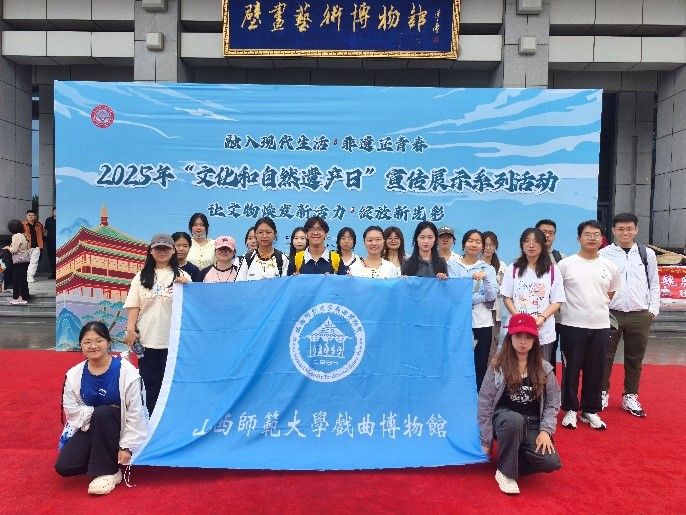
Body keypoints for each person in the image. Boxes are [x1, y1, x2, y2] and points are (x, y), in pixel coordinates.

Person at [55, 321, 147, 495]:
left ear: (108, 342)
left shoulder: (127, 372)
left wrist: (127, 446)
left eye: (99, 341)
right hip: (90, 426)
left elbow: (136, 412)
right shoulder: (74, 374)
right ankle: (103, 454)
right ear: (81, 345)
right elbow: (72, 412)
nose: (93, 346)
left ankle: (109, 471)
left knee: (104, 413)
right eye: (87, 342)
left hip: (120, 427)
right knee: (65, 466)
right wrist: (98, 413)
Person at [477, 313, 561, 495]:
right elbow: (485, 401)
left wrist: (545, 431)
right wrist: (486, 440)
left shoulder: (544, 368)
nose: (523, 342)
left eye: (528, 337)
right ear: (510, 337)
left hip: (532, 423)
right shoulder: (498, 366)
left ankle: (509, 460)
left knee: (551, 462)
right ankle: (506, 473)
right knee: (514, 420)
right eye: (518, 336)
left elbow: (553, 402)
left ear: (535, 340)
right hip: (505, 419)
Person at [558, 220, 620, 430]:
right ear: (579, 238)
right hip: (571, 325)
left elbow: (610, 293)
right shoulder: (566, 265)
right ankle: (570, 409)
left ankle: (590, 410)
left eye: (596, 234)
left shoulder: (609, 266)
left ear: (602, 239)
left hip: (600, 326)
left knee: (596, 370)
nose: (592, 238)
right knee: (571, 369)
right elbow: (557, 293)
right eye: (587, 234)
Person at [599, 212, 659, 417]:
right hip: (611, 313)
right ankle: (602, 393)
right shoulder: (604, 254)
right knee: (604, 357)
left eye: (629, 229)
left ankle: (630, 396)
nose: (625, 233)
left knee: (635, 358)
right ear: (613, 231)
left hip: (639, 314)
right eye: (621, 229)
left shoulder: (646, 254)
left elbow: (654, 283)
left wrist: (652, 310)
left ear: (636, 230)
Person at [124, 233, 191, 412]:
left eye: (166, 248)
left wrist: (188, 286)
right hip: (147, 339)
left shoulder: (182, 276)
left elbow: (192, 306)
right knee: (149, 383)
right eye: (158, 248)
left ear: (173, 251)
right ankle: (149, 419)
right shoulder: (141, 276)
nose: (162, 252)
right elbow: (134, 305)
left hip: (173, 341)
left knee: (170, 385)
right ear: (151, 251)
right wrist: (130, 329)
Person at [501, 228, 565, 364]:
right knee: (515, 368)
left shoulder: (552, 270)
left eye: (536, 241)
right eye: (527, 241)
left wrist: (542, 318)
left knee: (541, 369)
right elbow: (506, 297)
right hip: (517, 330)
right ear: (521, 244)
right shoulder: (513, 269)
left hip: (543, 331)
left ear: (542, 245)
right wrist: (518, 317)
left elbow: (557, 301)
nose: (531, 245)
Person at [448, 230, 497, 390]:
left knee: (480, 364)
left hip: (482, 323)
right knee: (457, 363)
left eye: (478, 242)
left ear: (482, 246)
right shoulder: (452, 265)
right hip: (459, 322)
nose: (474, 244)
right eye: (470, 240)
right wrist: (480, 297)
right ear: (463, 244)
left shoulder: (488, 269)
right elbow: (456, 294)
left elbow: (492, 296)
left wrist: (485, 280)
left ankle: (477, 399)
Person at [535, 219, 566, 376]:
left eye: (551, 233)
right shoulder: (526, 259)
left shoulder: (561, 258)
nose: (547, 235)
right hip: (537, 318)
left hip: (559, 317)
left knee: (559, 354)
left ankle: (555, 386)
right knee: (539, 356)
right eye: (543, 232)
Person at [482, 231, 507, 357]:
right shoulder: (476, 264)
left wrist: (495, 289)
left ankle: (492, 367)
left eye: (491, 245)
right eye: (485, 244)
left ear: (496, 247)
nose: (488, 248)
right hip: (479, 308)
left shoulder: (501, 265)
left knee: (496, 341)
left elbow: (506, 287)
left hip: (496, 310)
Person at [3, 219, 30, 304]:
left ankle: (18, 297)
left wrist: (7, 247)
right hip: (25, 260)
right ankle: (25, 296)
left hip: (18, 261)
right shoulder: (24, 235)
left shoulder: (16, 236)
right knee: (23, 279)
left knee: (16, 279)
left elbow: (14, 250)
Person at [23, 209, 44, 283]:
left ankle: (30, 276)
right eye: (29, 215)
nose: (31, 216)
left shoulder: (39, 225)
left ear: (35, 216)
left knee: (34, 262)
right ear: (26, 216)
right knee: (25, 262)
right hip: (26, 246)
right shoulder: (22, 224)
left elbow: (42, 234)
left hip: (36, 247)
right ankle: (24, 276)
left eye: (32, 215)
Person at [44, 207, 56, 279]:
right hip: (50, 242)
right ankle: (54, 274)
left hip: (60, 242)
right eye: (55, 211)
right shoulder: (48, 220)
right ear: (53, 212)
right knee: (51, 258)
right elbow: (45, 230)